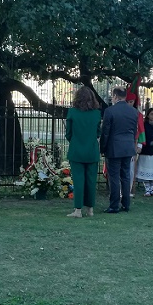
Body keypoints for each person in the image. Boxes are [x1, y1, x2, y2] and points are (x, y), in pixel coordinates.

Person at [100, 87, 140, 213]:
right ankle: (126, 204)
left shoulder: (110, 111)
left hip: (114, 148)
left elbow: (105, 132)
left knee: (114, 177)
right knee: (126, 176)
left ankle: (114, 205)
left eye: (113, 96)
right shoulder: (133, 112)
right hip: (128, 147)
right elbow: (134, 131)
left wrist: (103, 148)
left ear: (115, 96)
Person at [65, 87, 101, 218]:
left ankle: (78, 210)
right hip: (92, 151)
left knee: (79, 181)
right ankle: (90, 209)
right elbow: (98, 132)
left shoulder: (72, 112)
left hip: (76, 150)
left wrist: (75, 140)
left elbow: (68, 133)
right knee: (91, 181)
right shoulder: (96, 114)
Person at [137, 108, 153, 197]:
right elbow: (143, 138)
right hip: (147, 151)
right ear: (148, 115)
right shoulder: (144, 125)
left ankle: (152, 189)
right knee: (146, 169)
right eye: (152, 114)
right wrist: (151, 143)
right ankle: (147, 189)